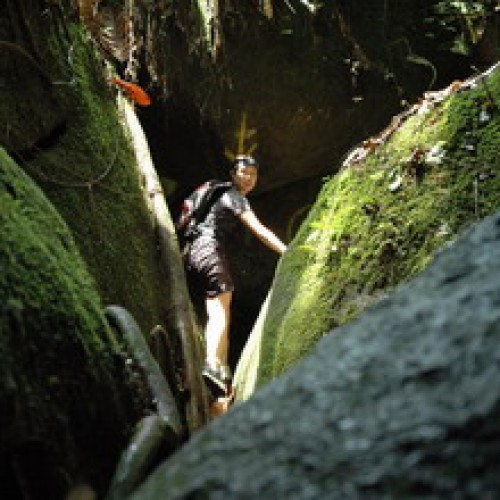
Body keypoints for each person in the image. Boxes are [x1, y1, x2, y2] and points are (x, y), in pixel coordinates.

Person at [179, 155, 287, 400]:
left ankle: (221, 375)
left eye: (253, 174)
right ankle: (212, 364)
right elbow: (258, 229)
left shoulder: (218, 196)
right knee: (220, 307)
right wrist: (287, 252)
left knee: (221, 306)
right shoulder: (233, 196)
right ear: (232, 174)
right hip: (208, 249)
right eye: (243, 172)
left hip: (191, 252)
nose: (249, 178)